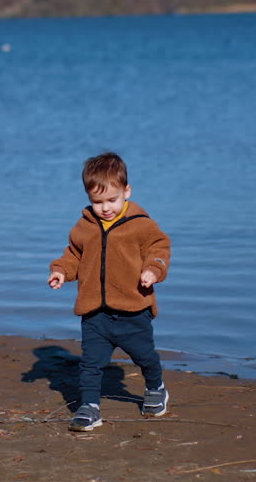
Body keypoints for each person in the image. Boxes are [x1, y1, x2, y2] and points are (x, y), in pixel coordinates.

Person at [47, 152, 172, 432]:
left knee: (145, 357)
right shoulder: (85, 227)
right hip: (95, 312)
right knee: (90, 364)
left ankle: (156, 388)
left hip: (132, 309)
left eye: (112, 200)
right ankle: (90, 407)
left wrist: (153, 269)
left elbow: (159, 248)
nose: (105, 208)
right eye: (97, 202)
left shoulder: (140, 224)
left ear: (126, 191)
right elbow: (74, 256)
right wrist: (61, 271)